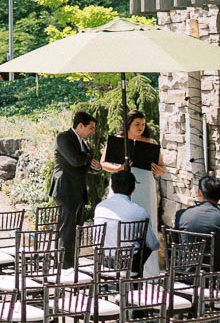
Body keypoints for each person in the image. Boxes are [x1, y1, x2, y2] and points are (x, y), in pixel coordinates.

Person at [99, 110, 165, 244]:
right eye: (137, 124)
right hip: (121, 184)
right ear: (128, 124)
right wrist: (118, 168)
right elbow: (103, 163)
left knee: (145, 218)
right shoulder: (118, 140)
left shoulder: (151, 142)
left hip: (145, 185)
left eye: (143, 124)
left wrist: (159, 170)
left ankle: (146, 257)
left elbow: (163, 168)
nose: (141, 127)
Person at [52, 111, 100, 268]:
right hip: (65, 189)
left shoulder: (82, 143)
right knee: (66, 230)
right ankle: (62, 266)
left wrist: (97, 167)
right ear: (80, 125)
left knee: (75, 230)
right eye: (91, 128)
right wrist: (87, 156)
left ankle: (72, 263)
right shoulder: (63, 137)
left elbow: (86, 165)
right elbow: (75, 160)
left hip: (78, 190)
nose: (92, 131)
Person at [174, 175, 220, 272]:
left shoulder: (181, 215)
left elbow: (176, 244)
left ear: (199, 193)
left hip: (187, 274)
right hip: (219, 279)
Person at [93, 170, 159, 273]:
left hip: (102, 259)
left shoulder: (100, 207)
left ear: (112, 187)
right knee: (145, 244)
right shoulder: (139, 211)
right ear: (133, 189)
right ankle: (135, 281)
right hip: (128, 262)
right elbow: (153, 244)